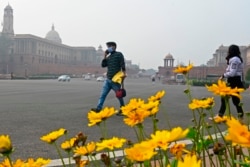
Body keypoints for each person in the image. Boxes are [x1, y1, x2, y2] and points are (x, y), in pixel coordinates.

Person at [91, 41, 126, 116]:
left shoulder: (119, 54)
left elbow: (122, 64)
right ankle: (99, 108)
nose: (108, 48)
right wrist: (105, 55)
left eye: (109, 46)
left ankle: (123, 109)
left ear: (114, 47)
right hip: (108, 79)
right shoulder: (108, 57)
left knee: (119, 95)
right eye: (108, 47)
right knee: (103, 95)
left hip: (115, 80)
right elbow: (103, 65)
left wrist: (124, 73)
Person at [211, 44, 244, 120]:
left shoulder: (235, 60)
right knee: (233, 100)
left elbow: (232, 73)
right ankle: (240, 116)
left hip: (233, 81)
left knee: (230, 99)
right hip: (235, 80)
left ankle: (221, 115)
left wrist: (223, 75)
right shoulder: (237, 59)